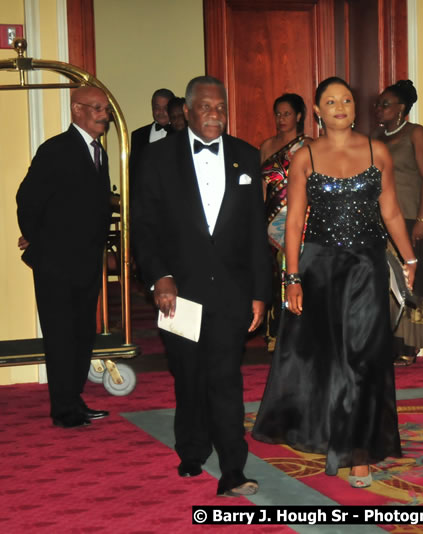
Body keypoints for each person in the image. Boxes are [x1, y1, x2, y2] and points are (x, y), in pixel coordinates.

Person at [252, 77, 417, 488]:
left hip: (366, 266)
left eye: (346, 99)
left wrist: (409, 258)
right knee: (327, 359)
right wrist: (291, 277)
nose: (340, 105)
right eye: (330, 101)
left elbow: (392, 210)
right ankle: (330, 433)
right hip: (319, 267)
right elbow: (293, 223)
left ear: (354, 108)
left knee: (363, 357)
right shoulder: (304, 156)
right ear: (318, 111)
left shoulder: (377, 150)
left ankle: (359, 453)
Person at [131, 75, 270, 497]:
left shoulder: (246, 157)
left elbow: (253, 232)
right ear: (187, 112)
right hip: (180, 292)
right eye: (206, 107)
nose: (215, 114)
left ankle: (233, 469)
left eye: (221, 107)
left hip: (231, 291)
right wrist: (160, 276)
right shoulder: (156, 158)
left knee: (225, 379)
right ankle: (191, 448)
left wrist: (261, 291)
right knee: (188, 375)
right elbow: (145, 227)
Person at [16, 86, 113, 428]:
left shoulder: (98, 152)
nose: (105, 114)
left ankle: (73, 399)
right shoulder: (55, 150)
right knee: (60, 335)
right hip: (56, 265)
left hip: (87, 262)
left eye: (106, 108)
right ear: (77, 110)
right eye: (97, 108)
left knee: (83, 334)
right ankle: (64, 409)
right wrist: (40, 244)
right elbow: (28, 201)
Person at [374, 80, 423, 366]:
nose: (379, 109)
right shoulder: (376, 139)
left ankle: (409, 345)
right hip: (380, 220)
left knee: (411, 282)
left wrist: (421, 219)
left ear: (402, 108)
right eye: (378, 105)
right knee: (384, 283)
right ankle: (387, 342)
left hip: (408, 218)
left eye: (385, 104)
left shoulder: (416, 134)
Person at [259, 93, 312, 351]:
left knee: (294, 272)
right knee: (273, 275)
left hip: (301, 217)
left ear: (299, 116)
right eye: (278, 114)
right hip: (271, 219)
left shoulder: (310, 145)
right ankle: (275, 332)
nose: (281, 119)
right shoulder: (267, 146)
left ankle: (299, 329)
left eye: (287, 114)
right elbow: (263, 188)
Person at [129, 88, 175, 179]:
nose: (161, 112)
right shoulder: (138, 135)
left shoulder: (180, 134)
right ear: (152, 108)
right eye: (157, 108)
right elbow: (133, 170)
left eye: (165, 108)